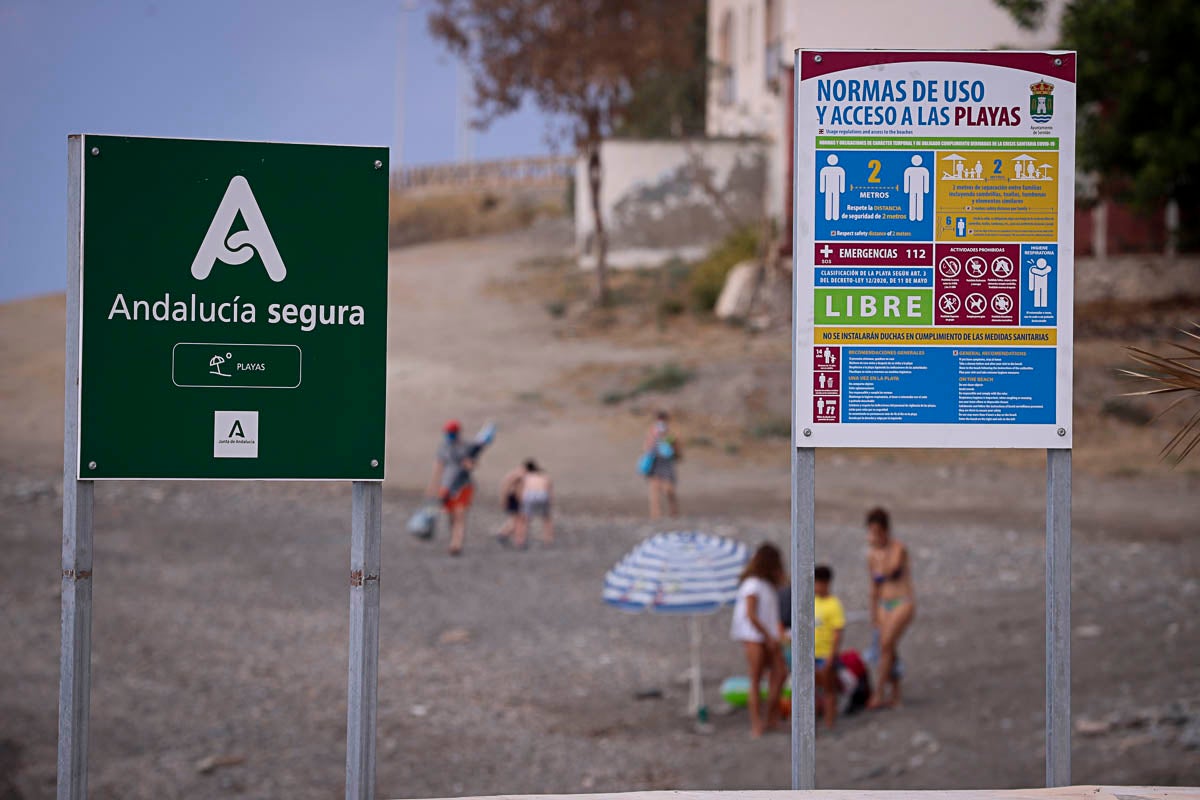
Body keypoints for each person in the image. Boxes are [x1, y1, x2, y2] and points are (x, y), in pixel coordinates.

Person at [730, 543, 788, 738]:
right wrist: (768, 636)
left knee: (780, 673)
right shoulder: (752, 584)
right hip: (754, 635)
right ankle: (757, 723)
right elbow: (751, 614)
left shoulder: (766, 585)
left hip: (766, 634)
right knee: (755, 678)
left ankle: (770, 716)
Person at [865, 507, 915, 708]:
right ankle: (896, 693)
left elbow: (890, 571)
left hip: (902, 601)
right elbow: (874, 584)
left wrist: (880, 553)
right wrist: (873, 611)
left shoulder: (897, 549)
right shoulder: (872, 555)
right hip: (884, 604)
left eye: (877, 532)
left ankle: (878, 691)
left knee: (886, 643)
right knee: (889, 648)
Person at [426, 420, 478, 556]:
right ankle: (453, 540)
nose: (449, 435)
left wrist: (469, 464)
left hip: (463, 485)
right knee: (451, 516)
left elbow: (472, 464)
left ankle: (456, 543)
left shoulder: (466, 446)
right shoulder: (444, 448)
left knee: (460, 514)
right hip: (446, 486)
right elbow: (438, 468)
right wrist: (433, 487)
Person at [814, 564, 846, 729]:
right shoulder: (812, 601)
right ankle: (813, 722)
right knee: (810, 690)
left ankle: (829, 721)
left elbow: (837, 633)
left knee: (828, 689)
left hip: (826, 655)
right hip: (811, 654)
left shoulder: (834, 605)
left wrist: (831, 656)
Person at [643, 411, 681, 519]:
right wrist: (653, 438)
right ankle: (656, 516)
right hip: (655, 464)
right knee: (654, 490)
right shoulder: (652, 433)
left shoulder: (671, 435)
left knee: (669, 490)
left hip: (667, 464)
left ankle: (674, 513)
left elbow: (678, 452)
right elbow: (647, 448)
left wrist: (670, 443)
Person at [513, 459, 554, 548]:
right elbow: (549, 489)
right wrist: (550, 501)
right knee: (546, 518)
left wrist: (520, 500)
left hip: (530, 495)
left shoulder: (526, 476)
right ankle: (548, 540)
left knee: (524, 519)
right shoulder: (543, 476)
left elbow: (521, 489)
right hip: (543, 494)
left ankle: (520, 541)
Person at [495, 464, 526, 542]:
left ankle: (504, 534)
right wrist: (503, 499)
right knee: (518, 519)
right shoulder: (518, 475)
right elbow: (506, 486)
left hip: (517, 499)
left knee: (518, 519)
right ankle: (504, 535)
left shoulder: (519, 475)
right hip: (514, 498)